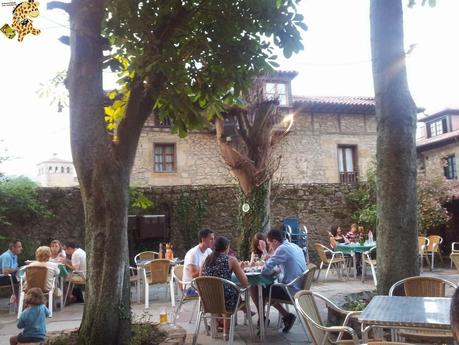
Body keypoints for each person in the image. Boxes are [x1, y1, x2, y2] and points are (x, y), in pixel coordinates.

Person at [201, 236, 249, 340]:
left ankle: (220, 326)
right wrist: (241, 269)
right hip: (226, 301)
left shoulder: (206, 259)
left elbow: (200, 278)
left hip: (208, 300)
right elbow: (245, 282)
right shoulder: (231, 260)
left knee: (224, 293)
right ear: (227, 247)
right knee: (232, 293)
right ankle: (226, 334)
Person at [260, 229, 306, 333]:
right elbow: (283, 266)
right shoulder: (293, 246)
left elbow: (265, 270)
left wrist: (267, 264)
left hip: (291, 290)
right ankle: (286, 316)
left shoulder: (282, 249)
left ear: (275, 241)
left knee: (261, 289)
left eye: (269, 244)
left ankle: (262, 322)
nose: (270, 247)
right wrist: (275, 268)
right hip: (299, 287)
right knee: (268, 288)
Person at [183, 228, 215, 296]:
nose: (213, 241)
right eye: (211, 239)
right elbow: (194, 276)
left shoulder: (209, 251)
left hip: (204, 284)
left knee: (222, 288)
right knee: (217, 291)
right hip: (190, 288)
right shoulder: (192, 254)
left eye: (213, 239)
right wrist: (206, 267)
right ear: (203, 239)